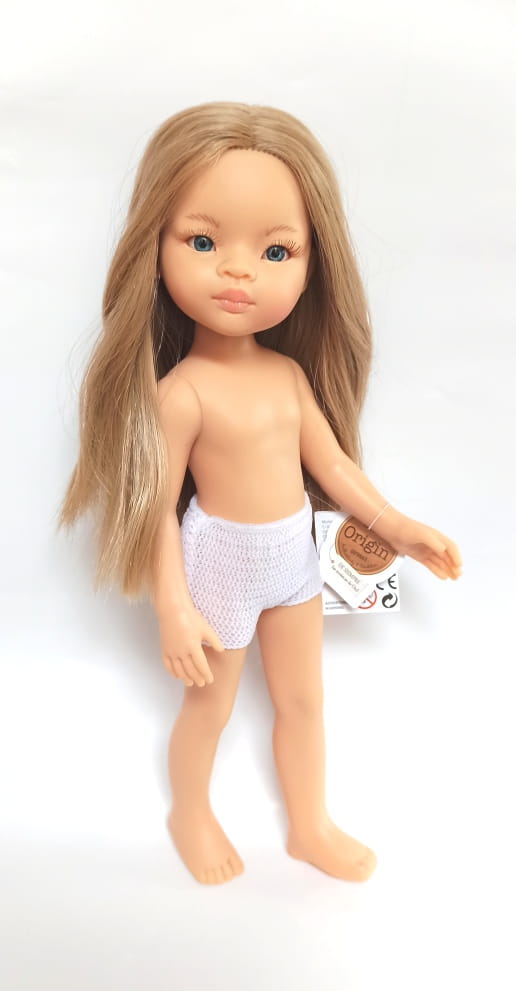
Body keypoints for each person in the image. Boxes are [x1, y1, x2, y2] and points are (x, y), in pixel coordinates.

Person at [59, 102, 462, 886]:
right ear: (155, 248)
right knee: (208, 706)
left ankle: (310, 824)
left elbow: (333, 467)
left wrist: (399, 527)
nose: (238, 271)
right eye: (203, 242)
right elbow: (155, 510)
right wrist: (173, 606)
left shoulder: (287, 375)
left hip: (294, 558)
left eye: (276, 250)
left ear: (313, 262)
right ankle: (189, 811)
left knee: (304, 699)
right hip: (221, 565)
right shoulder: (182, 394)